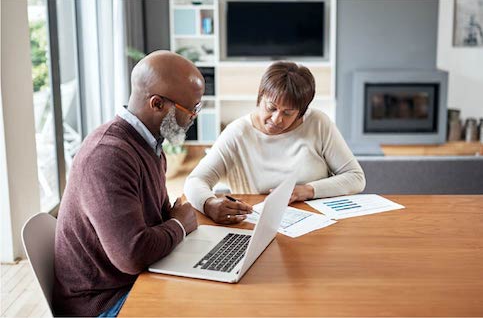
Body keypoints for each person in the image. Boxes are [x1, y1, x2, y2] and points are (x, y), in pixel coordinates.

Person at [53, 51, 204, 317]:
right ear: (157, 104)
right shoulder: (108, 156)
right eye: (189, 109)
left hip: (133, 281)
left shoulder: (149, 145)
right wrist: (179, 224)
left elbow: (152, 222)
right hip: (105, 302)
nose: (193, 117)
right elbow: (131, 255)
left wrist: (179, 218)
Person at [184, 61, 365, 224]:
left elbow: (356, 178)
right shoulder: (237, 133)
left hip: (319, 223)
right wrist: (209, 203)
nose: (277, 119)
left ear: (301, 112)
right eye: (271, 107)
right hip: (257, 225)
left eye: (288, 113)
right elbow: (195, 180)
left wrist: (308, 190)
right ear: (260, 97)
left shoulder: (318, 123)